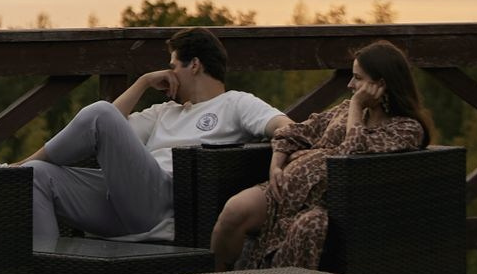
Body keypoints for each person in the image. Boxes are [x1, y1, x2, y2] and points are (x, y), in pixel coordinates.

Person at [22, 26, 283, 247]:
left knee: (100, 112)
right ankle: (41, 272)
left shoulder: (235, 103)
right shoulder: (164, 112)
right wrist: (143, 82)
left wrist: (280, 157)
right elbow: (104, 129)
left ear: (194, 65)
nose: (169, 73)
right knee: (37, 174)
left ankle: (12, 169)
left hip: (164, 204)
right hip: (124, 203)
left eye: (173, 66)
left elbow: (286, 126)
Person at [211, 39, 431, 270]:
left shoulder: (405, 128)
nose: (350, 85)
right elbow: (294, 132)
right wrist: (275, 166)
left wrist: (357, 105)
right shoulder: (345, 110)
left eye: (357, 78)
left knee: (307, 227)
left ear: (380, 84)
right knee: (234, 211)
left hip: (329, 204)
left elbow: (353, 152)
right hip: (284, 190)